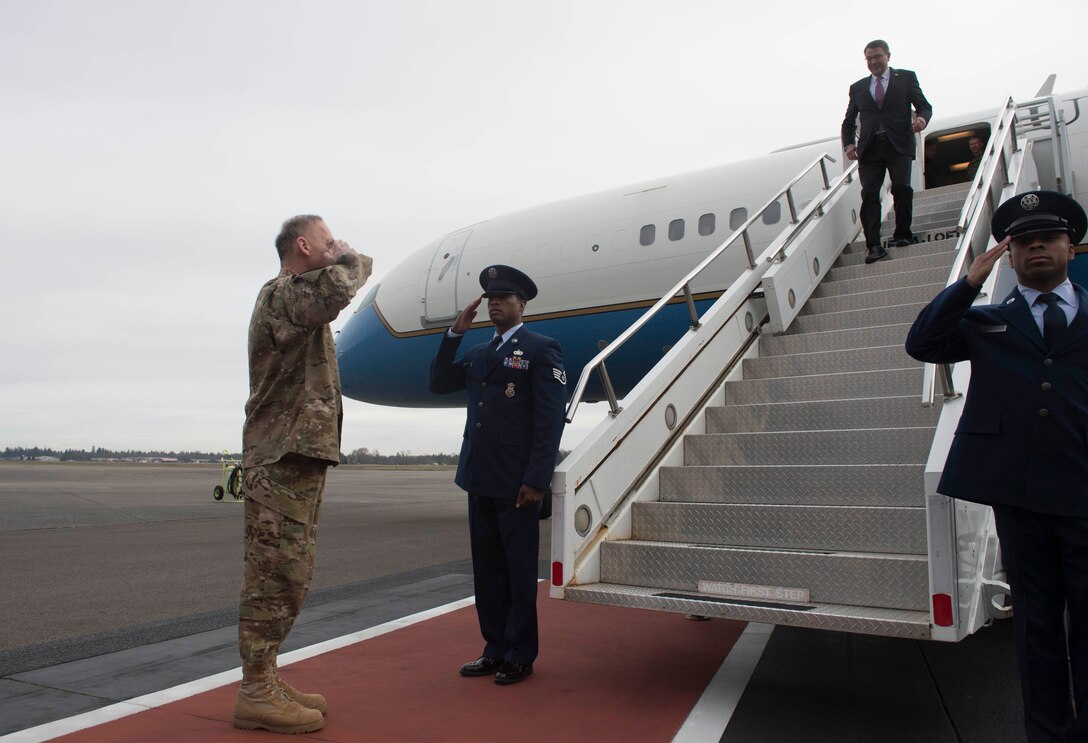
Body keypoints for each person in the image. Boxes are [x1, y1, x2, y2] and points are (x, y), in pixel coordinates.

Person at [905, 191, 1088, 742]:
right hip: (1022, 498)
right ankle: (1048, 734)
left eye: (1048, 238)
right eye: (1023, 242)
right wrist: (965, 284)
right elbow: (923, 343)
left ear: (1071, 248)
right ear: (1009, 258)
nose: (1036, 248)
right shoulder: (986, 323)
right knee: (1036, 628)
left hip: (1084, 494)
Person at [234, 215, 373, 733]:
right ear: (302, 245)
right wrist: (348, 258)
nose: (335, 245)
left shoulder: (301, 298)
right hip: (280, 454)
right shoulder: (283, 294)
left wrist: (346, 261)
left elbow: (347, 282)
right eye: (326, 239)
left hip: (297, 452)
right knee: (274, 574)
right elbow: (341, 286)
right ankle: (254, 690)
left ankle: (265, 673)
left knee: (292, 571)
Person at [429, 265, 566, 685]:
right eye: (490, 298)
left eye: (504, 297)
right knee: (487, 571)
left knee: (519, 571)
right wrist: (453, 334)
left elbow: (549, 420)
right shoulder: (478, 352)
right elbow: (437, 383)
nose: (495, 303)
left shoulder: (542, 349)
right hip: (479, 477)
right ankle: (494, 648)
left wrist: (537, 480)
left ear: (521, 304)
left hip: (517, 483)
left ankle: (520, 653)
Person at [841, 39, 933, 264]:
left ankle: (903, 233)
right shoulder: (858, 87)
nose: (873, 62)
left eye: (877, 57)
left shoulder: (906, 78)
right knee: (870, 194)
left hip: (898, 142)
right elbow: (849, 121)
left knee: (901, 187)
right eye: (869, 58)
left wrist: (921, 118)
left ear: (888, 56)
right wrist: (849, 144)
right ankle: (873, 246)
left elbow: (924, 105)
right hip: (870, 147)